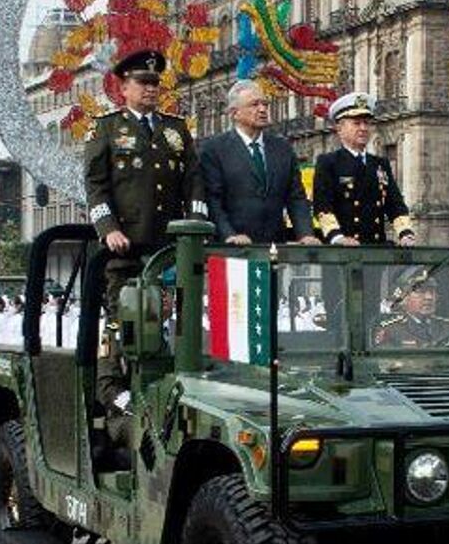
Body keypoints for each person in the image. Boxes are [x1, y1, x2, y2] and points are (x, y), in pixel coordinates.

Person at [84, 49, 204, 417]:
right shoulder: (106, 127)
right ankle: (112, 388)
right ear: (124, 87)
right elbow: (96, 185)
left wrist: (196, 227)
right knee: (124, 317)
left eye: (155, 83)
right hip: (126, 246)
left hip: (168, 245)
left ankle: (168, 383)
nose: (151, 90)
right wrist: (108, 230)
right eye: (143, 83)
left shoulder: (176, 129)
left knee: (174, 317)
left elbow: (193, 183)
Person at [199, 80, 319, 246]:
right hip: (232, 249)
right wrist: (229, 235)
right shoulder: (214, 150)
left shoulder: (282, 148)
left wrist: (305, 233)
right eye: (254, 104)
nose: (262, 109)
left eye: (265, 104)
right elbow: (213, 201)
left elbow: (296, 197)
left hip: (275, 247)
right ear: (234, 113)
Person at [311, 93, 416, 245]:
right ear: (340, 128)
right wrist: (337, 237)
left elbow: (395, 204)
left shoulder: (380, 164)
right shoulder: (329, 163)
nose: (363, 128)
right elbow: (323, 207)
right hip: (342, 251)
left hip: (375, 249)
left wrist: (405, 233)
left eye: (367, 123)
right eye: (356, 123)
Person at [374, 268, 449, 347]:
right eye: (420, 291)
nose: (429, 297)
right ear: (403, 297)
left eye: (432, 291)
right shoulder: (391, 331)